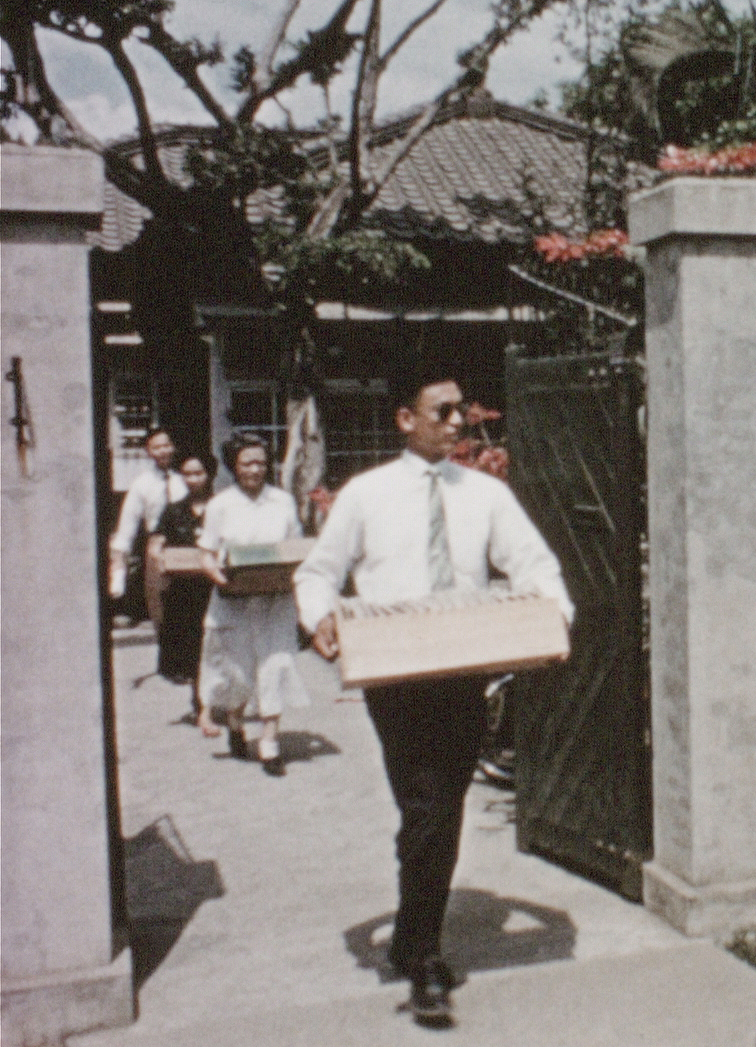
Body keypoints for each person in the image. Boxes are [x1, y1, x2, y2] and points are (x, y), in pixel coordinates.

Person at [293, 365, 572, 1028]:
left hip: (463, 669)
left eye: (460, 410)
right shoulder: (366, 494)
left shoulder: (485, 495)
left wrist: (553, 616)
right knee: (426, 806)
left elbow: (534, 564)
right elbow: (318, 571)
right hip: (394, 674)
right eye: (441, 410)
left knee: (438, 807)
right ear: (404, 419)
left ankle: (417, 948)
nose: (455, 422)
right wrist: (321, 616)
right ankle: (419, 954)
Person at [196, 434, 308, 777]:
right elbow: (206, 553)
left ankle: (269, 743)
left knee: (276, 665)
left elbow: (294, 547)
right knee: (237, 672)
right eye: (247, 463)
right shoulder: (220, 505)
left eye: (261, 462)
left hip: (275, 600)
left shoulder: (283, 501)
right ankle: (234, 723)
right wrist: (219, 578)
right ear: (234, 466)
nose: (255, 469)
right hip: (234, 600)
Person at [148, 451, 217, 711]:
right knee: (192, 645)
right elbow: (157, 542)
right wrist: (159, 559)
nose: (193, 479)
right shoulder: (174, 510)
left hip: (216, 586)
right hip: (185, 590)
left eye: (198, 473)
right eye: (187, 474)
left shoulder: (221, 507)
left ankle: (216, 698)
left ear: (209, 474)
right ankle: (199, 698)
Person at [109, 426, 187, 621]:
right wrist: (118, 564)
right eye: (156, 447)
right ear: (148, 451)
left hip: (185, 544)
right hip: (156, 546)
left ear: (173, 447)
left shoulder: (184, 480)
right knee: (159, 607)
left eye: (166, 445)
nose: (163, 451)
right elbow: (127, 526)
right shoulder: (141, 484)